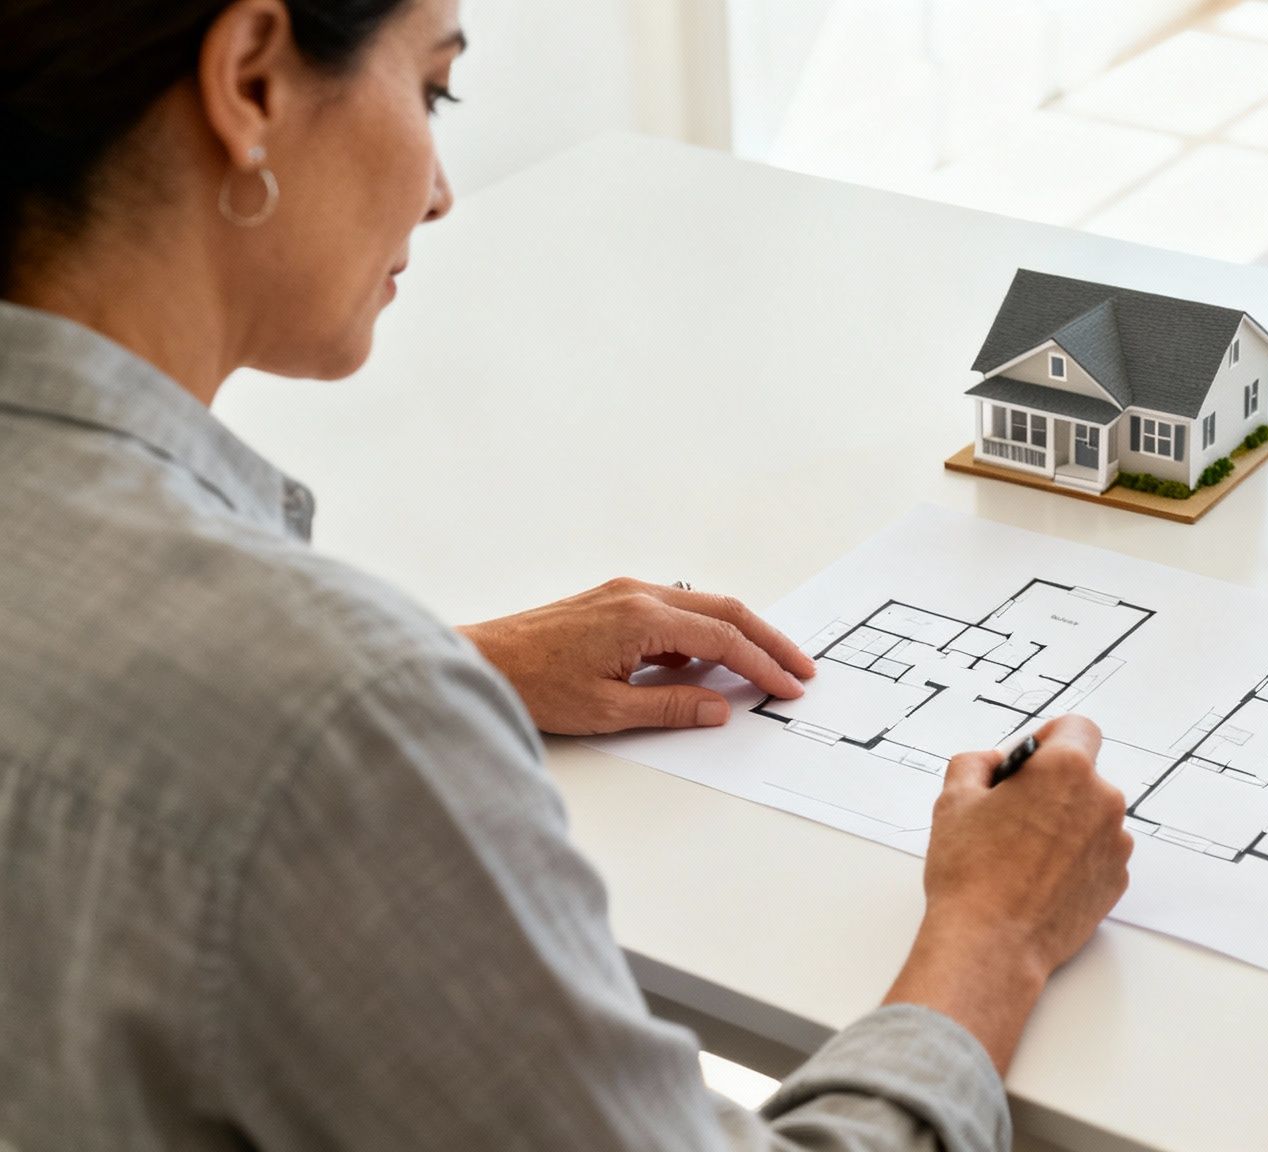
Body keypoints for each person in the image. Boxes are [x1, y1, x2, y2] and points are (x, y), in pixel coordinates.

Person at [0, 2, 1133, 1149]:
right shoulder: (332, 723)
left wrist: (450, 664)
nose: (440, 190)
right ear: (249, 84)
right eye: (433, 89)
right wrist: (997, 934)